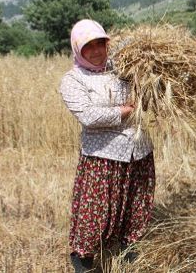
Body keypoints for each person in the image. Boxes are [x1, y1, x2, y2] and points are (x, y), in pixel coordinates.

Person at [60, 19, 155, 272]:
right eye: (88, 46)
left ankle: (127, 249)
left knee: (136, 203)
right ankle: (84, 259)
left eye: (100, 43)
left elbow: (146, 83)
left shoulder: (123, 68)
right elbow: (88, 117)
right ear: (78, 50)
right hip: (103, 157)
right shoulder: (73, 80)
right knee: (96, 213)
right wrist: (125, 110)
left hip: (138, 150)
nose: (96, 51)